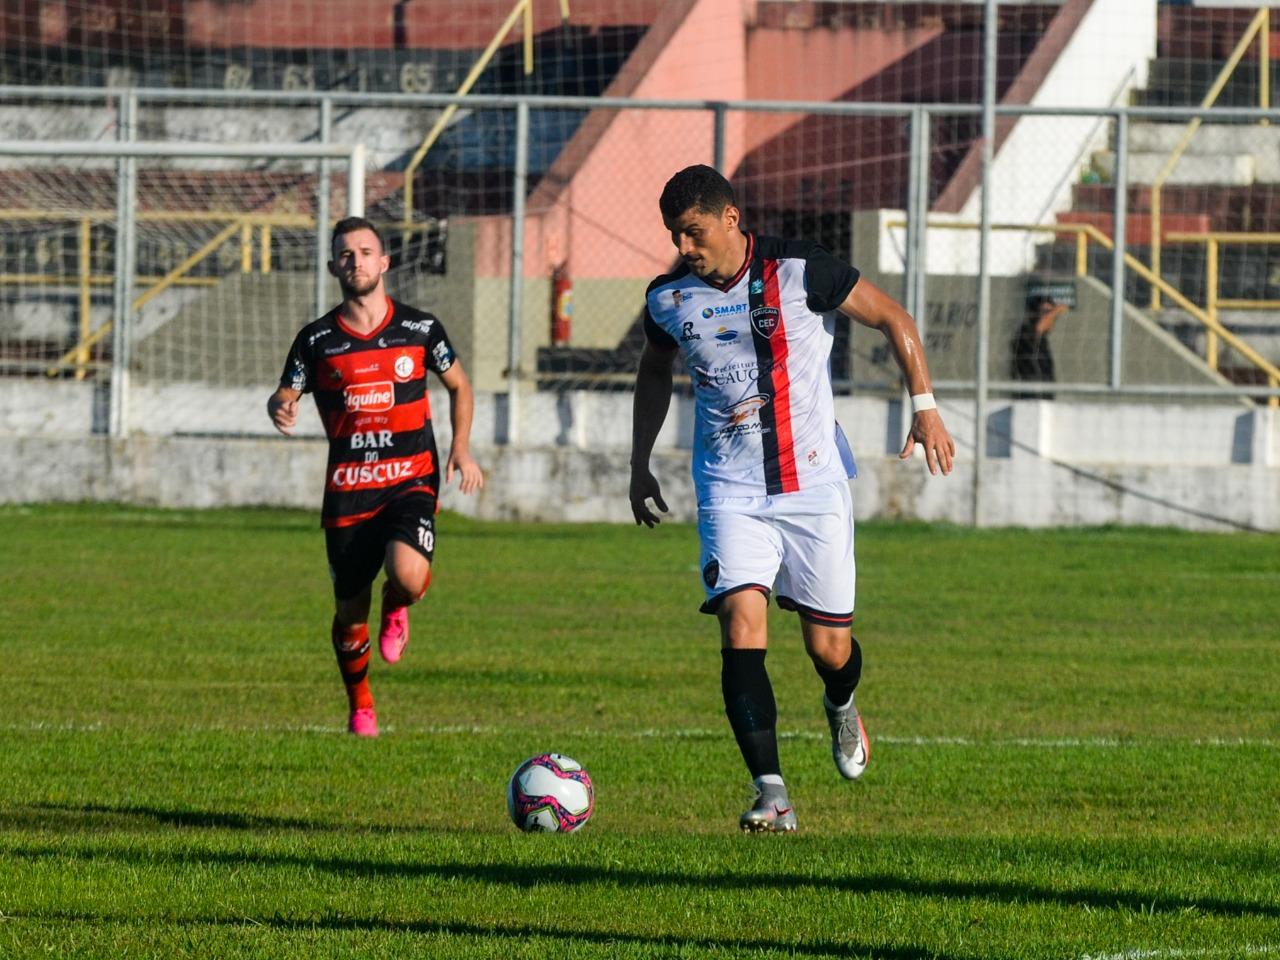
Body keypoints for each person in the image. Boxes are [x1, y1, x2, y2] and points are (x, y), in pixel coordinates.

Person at [629, 165, 955, 832]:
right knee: (740, 625)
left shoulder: (801, 270)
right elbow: (654, 371)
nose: (683, 247)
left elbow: (895, 317)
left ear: (729, 218)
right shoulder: (667, 298)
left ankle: (842, 704)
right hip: (730, 489)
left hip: (813, 485)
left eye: (692, 233)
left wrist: (925, 406)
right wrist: (639, 463)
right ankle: (771, 793)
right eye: (673, 235)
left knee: (829, 650)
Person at [267, 216, 483, 737]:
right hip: (348, 494)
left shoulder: (420, 329)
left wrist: (461, 449)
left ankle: (399, 604)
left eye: (366, 252)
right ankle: (361, 703)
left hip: (411, 479)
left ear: (383, 262)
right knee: (348, 614)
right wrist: (281, 406)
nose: (356, 261)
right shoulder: (316, 340)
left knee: (407, 575)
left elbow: (459, 386)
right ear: (333, 266)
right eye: (346, 254)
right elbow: (286, 392)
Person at [1011, 289, 1067, 400]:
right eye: (1045, 312)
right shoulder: (1025, 333)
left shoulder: (1043, 340)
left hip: (1044, 394)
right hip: (1029, 395)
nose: (1050, 318)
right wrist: (1055, 311)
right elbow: (1038, 329)